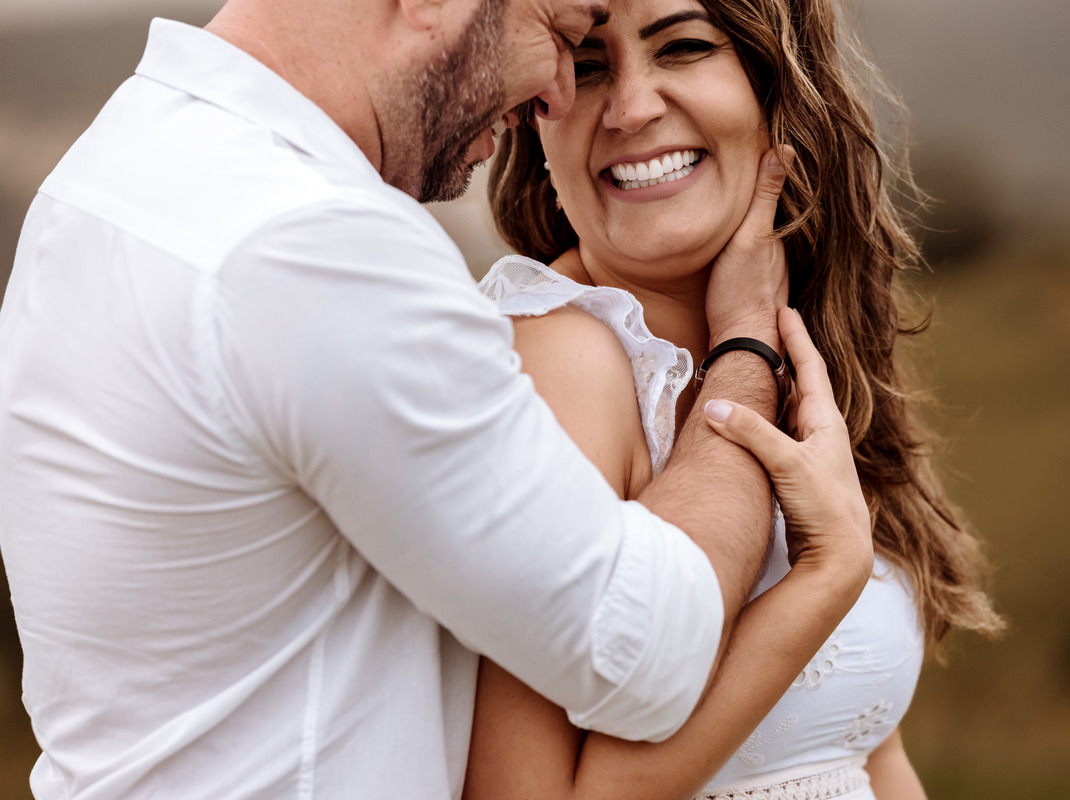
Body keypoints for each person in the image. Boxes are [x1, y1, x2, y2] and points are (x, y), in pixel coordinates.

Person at [0, 0, 872, 798]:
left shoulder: (114, 175)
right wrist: (749, 350)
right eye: (565, 38)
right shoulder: (308, 244)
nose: (557, 95)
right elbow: (651, 649)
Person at [466, 0, 1006, 797]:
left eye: (682, 48)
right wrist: (822, 583)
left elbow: (867, 752)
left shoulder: (805, 348)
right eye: (585, 64)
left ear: (781, 91)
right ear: (536, 119)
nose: (631, 107)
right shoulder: (557, 364)